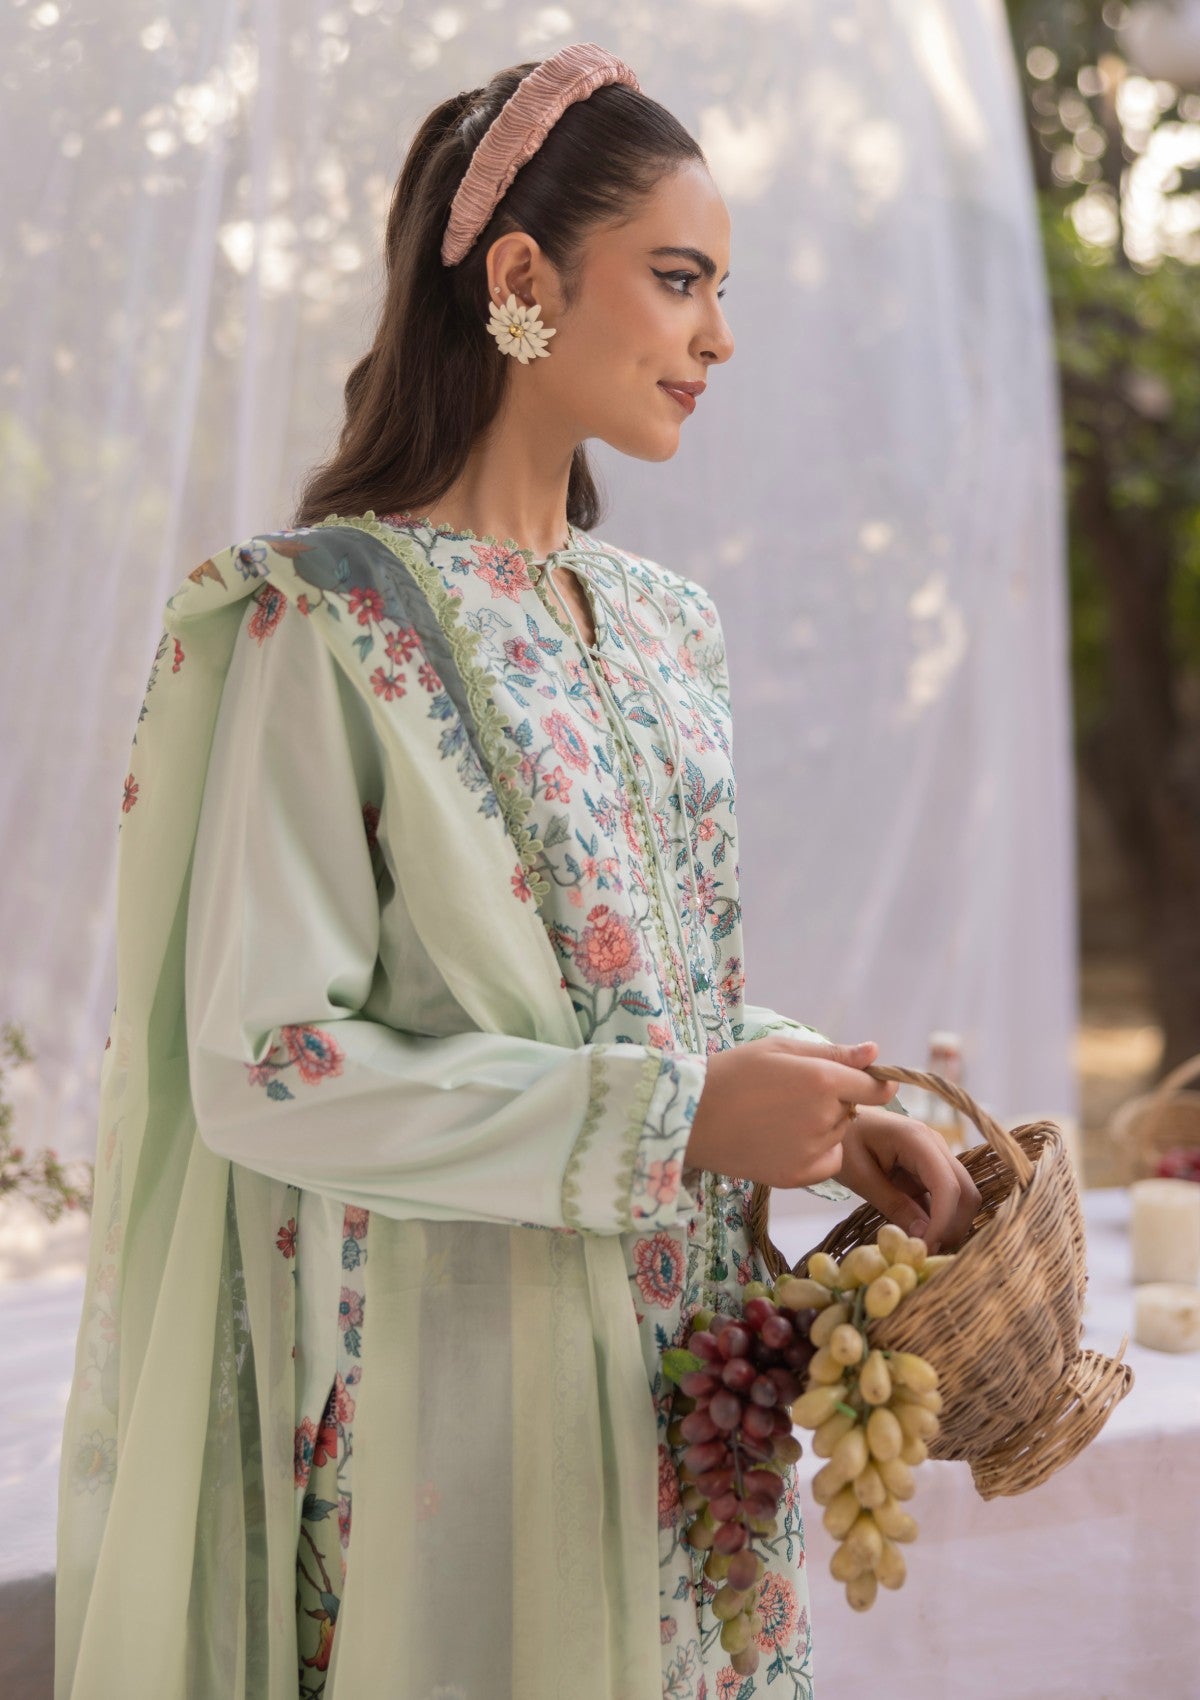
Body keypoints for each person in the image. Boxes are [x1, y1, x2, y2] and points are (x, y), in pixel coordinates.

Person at [55, 41, 981, 1700]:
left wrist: (817, 1106)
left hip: (686, 1403)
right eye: (681, 279)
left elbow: (640, 991)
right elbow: (267, 1068)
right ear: (523, 282)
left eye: (723, 288)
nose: (720, 336)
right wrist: (677, 1118)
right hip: (456, 1426)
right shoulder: (320, 626)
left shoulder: (664, 627)